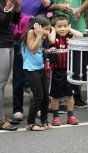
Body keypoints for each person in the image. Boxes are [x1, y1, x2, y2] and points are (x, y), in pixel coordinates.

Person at [12, 0, 53, 122]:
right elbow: (14, 14)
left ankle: (39, 111)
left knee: (41, 91)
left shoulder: (44, 32)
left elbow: (47, 4)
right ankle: (18, 110)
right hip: (23, 35)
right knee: (19, 77)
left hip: (41, 30)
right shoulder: (31, 32)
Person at [49, 0, 88, 108]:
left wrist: (80, 9)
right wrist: (59, 6)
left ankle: (76, 96)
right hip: (59, 27)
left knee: (77, 66)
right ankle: (60, 99)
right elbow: (47, 7)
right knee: (60, 68)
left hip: (77, 27)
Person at [48, 15, 83, 126]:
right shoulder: (54, 37)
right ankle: (56, 117)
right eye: (59, 26)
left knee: (69, 94)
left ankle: (71, 116)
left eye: (65, 26)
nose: (63, 29)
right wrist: (53, 30)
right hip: (56, 70)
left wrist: (70, 29)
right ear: (54, 27)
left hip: (69, 71)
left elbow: (81, 36)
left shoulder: (70, 36)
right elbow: (51, 40)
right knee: (56, 95)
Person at [21, 14, 52, 131]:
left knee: (45, 96)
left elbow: (39, 50)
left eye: (49, 29)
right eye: (46, 29)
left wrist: (48, 50)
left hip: (40, 67)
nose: (47, 32)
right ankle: (30, 123)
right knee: (38, 96)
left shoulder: (42, 36)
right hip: (30, 69)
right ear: (37, 27)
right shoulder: (31, 33)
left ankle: (44, 121)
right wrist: (39, 36)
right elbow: (32, 50)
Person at [0, 0, 21, 131]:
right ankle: (1, 119)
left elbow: (14, 21)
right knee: (0, 84)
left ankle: (2, 116)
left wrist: (17, 5)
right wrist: (9, 6)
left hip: (9, 42)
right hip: (1, 44)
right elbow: (2, 23)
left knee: (3, 83)